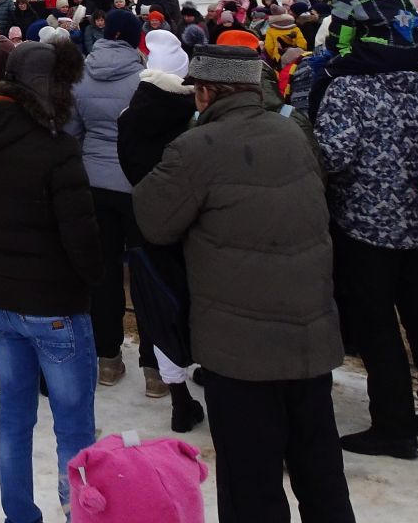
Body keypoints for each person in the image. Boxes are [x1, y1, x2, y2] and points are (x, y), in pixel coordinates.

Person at [134, 44, 354, 523]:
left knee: (251, 483)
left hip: (239, 350)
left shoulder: (196, 148)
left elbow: (153, 219)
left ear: (206, 93)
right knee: (321, 471)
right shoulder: (293, 134)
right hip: (308, 336)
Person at [0, 38, 99, 523]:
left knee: (14, 421)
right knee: (74, 426)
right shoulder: (57, 148)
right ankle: (79, 513)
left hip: (2, 300)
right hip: (55, 303)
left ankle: (19, 515)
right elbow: (82, 238)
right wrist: (89, 280)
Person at [315, 45, 418, 458]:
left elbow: (334, 154)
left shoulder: (349, 90)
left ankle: (395, 426)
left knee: (376, 325)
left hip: (366, 225)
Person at [114, 29, 205, 433]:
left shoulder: (130, 116)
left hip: (143, 222)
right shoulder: (194, 119)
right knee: (203, 304)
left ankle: (179, 398)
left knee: (159, 309)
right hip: (194, 226)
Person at [67, 8, 158, 393]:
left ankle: (108, 359)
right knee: (147, 276)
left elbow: (72, 130)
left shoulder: (80, 75)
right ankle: (155, 370)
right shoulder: (146, 78)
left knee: (101, 274)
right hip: (136, 184)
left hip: (94, 183)